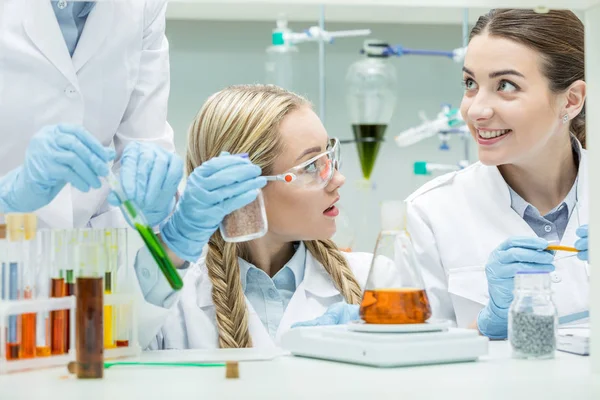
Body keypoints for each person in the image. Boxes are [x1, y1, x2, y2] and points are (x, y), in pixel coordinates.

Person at [134, 85, 379, 350]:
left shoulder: (374, 280)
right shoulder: (169, 301)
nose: (338, 179)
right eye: (311, 165)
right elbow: (111, 360)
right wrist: (169, 248)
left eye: (329, 156)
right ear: (242, 185)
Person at [405, 9, 589, 339]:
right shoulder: (431, 212)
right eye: (470, 83)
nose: (476, 110)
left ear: (571, 100)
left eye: (505, 85)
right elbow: (416, 356)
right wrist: (490, 323)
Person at [0, 0, 178, 228]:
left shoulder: (143, 6)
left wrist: (157, 202)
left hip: (90, 252)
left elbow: (145, 146)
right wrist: (8, 198)